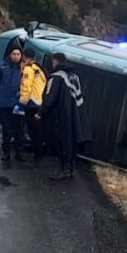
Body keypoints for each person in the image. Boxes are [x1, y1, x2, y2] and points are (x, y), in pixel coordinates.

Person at [36, 52, 91, 180]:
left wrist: (40, 112)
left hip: (61, 115)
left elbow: (50, 98)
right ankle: (70, 169)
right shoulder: (74, 76)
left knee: (62, 142)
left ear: (55, 61)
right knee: (72, 142)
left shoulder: (56, 77)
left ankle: (64, 169)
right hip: (75, 115)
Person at [0, 46, 25, 161]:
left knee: (19, 129)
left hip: (18, 104)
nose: (16, 56)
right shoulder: (2, 67)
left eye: (18, 54)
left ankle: (19, 153)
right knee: (6, 129)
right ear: (10, 55)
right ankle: (6, 153)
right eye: (14, 54)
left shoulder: (24, 68)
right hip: (3, 103)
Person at [18, 47, 47, 160]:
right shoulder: (38, 68)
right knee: (38, 129)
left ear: (24, 56)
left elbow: (26, 86)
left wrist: (22, 101)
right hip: (39, 102)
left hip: (32, 102)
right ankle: (39, 150)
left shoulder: (28, 69)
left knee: (32, 129)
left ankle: (37, 153)